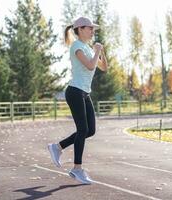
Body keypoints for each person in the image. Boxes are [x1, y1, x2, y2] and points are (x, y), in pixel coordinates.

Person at [48, 17, 108, 185]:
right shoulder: (76, 46)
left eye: (93, 29)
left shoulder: (89, 48)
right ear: (80, 29)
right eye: (90, 28)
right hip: (74, 91)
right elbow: (90, 66)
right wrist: (96, 52)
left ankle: (57, 147)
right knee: (82, 129)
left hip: (84, 93)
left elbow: (104, 67)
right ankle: (77, 168)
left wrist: (100, 51)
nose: (92, 31)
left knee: (90, 130)